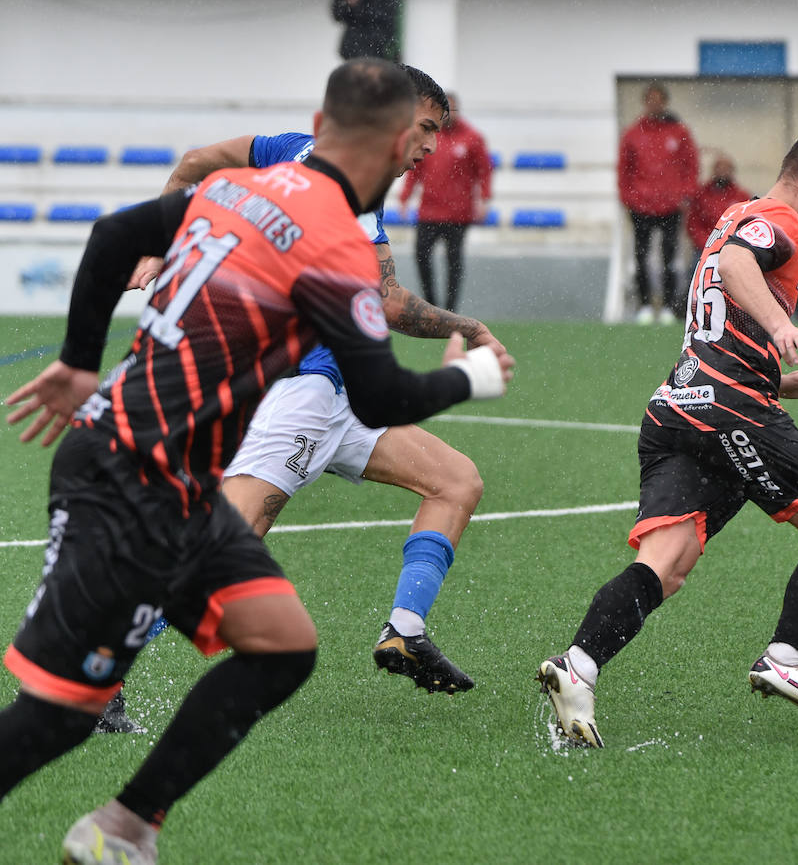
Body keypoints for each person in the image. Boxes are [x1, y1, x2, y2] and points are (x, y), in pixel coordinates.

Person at [0, 59, 513, 864]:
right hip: (128, 473)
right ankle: (124, 811)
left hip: (172, 480)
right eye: (420, 137)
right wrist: (472, 376)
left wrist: (74, 360)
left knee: (281, 644)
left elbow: (115, 235)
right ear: (384, 139)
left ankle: (125, 827)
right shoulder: (338, 239)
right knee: (60, 716)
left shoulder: (246, 185)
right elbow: (378, 393)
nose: (424, 156)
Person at [137, 64, 504, 699]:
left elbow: (197, 161)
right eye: (424, 129)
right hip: (302, 389)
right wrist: (470, 329)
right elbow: (389, 305)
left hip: (340, 397)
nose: (431, 147)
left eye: (438, 133)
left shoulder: (290, 149)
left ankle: (405, 632)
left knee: (455, 481)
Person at [536, 126, 798, 747]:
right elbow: (734, 266)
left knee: (665, 564)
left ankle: (577, 668)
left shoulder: (735, 214)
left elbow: (721, 308)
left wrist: (779, 379)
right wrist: (781, 326)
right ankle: (786, 656)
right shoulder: (781, 221)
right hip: (730, 412)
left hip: (677, 407)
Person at [399, 90, 492, 311]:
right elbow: (415, 170)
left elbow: (484, 171)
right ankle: (431, 303)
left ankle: (450, 309)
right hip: (429, 211)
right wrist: (405, 197)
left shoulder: (472, 137)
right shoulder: (430, 137)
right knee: (421, 255)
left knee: (454, 263)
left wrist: (484, 200)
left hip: (458, 214)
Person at [618, 82, 699, 325]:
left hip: (670, 206)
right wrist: (630, 198)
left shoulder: (679, 132)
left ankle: (667, 306)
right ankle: (644, 305)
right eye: (650, 99)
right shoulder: (633, 134)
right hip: (641, 206)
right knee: (641, 256)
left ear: (665, 102)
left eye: (658, 99)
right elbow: (624, 170)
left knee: (670, 257)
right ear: (645, 102)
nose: (655, 104)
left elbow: (690, 165)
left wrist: (684, 195)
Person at [685, 153, 750, 253]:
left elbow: (747, 223)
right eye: (719, 168)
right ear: (713, 170)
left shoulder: (742, 197)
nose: (723, 172)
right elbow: (693, 223)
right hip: (704, 248)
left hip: (732, 248)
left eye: (726, 168)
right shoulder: (701, 195)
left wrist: (732, 243)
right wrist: (706, 243)